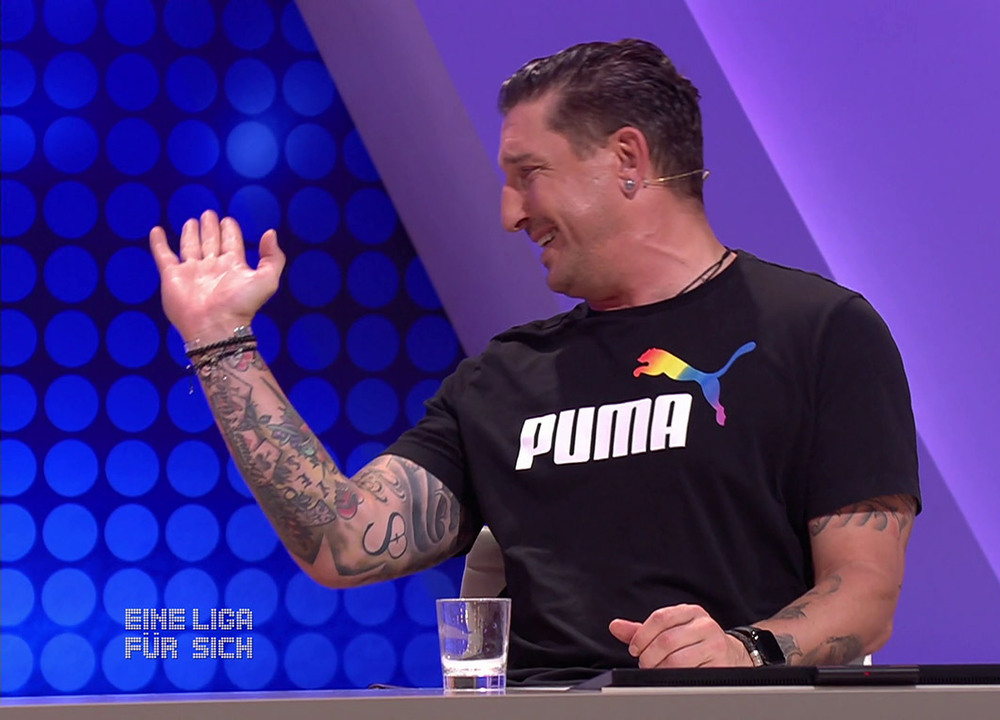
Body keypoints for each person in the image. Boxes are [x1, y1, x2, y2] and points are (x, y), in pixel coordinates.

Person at [150, 39, 920, 684]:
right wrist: (222, 344)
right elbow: (343, 542)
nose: (510, 213)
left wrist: (741, 652)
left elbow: (864, 592)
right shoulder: (502, 378)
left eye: (529, 174)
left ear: (627, 159)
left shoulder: (818, 332)